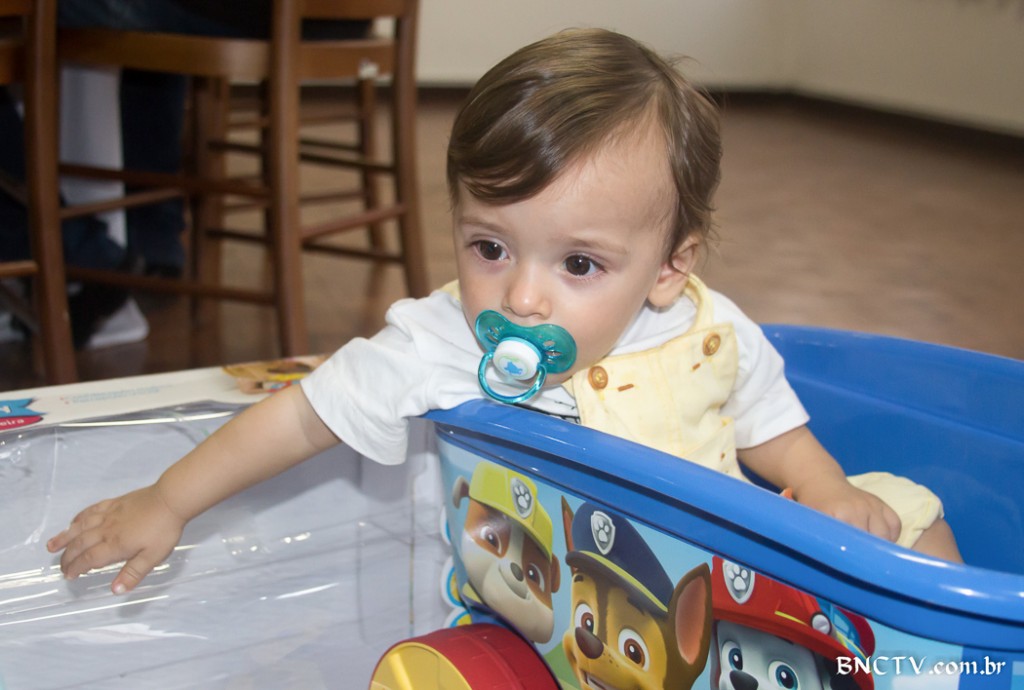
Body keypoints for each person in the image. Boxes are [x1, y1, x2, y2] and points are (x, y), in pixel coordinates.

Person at [47, 28, 961, 596]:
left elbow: (771, 428)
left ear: (669, 268)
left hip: (725, 574)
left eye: (578, 264)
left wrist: (830, 491)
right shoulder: (441, 340)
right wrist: (169, 499)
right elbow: (301, 417)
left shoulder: (705, 326)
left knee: (908, 515)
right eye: (490, 247)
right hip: (567, 595)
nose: (521, 297)